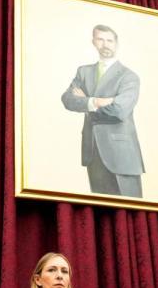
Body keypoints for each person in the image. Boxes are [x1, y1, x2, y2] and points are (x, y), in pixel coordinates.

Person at [60, 24, 145, 198]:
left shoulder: (129, 76)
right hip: (92, 151)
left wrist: (86, 101)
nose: (105, 44)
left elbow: (119, 110)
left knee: (129, 208)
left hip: (122, 154)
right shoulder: (83, 72)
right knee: (101, 209)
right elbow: (67, 100)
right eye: (100, 39)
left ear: (116, 43)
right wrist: (97, 101)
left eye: (109, 40)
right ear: (93, 42)